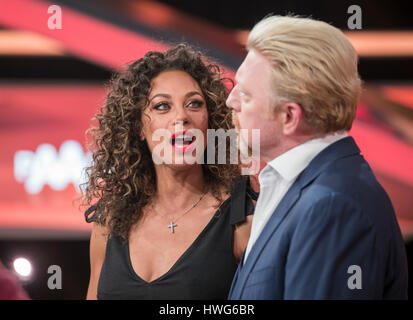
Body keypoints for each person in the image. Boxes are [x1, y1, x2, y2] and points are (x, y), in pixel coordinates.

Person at [226, 15, 408, 299]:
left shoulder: (333, 206)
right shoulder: (301, 186)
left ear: (289, 117)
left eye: (246, 95)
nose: (231, 101)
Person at [82, 44, 257, 300]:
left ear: (210, 123)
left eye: (194, 104)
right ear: (139, 128)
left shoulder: (243, 222)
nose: (181, 117)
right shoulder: (108, 224)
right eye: (162, 106)